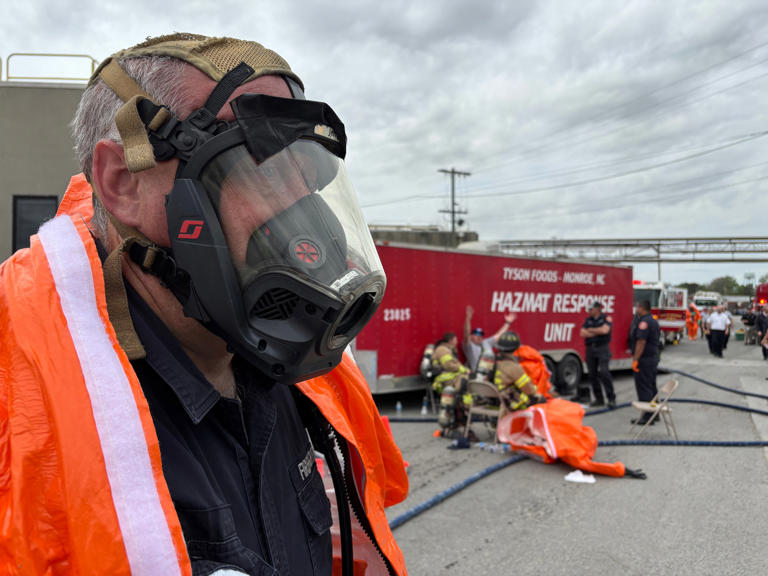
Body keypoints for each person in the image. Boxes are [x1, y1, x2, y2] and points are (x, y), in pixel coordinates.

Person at [0, 34, 408, 575]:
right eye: (263, 170)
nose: (305, 218)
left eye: (306, 179)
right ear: (124, 184)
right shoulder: (23, 429)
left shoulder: (290, 376)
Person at [492, 331, 545, 411]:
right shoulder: (513, 367)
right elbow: (528, 389)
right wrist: (536, 392)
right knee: (541, 399)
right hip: (509, 402)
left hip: (494, 400)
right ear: (515, 349)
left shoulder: (494, 362)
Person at [578, 301, 616, 408]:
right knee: (592, 374)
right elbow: (582, 333)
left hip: (602, 348)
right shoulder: (588, 320)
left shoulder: (606, 318)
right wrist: (596, 331)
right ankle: (599, 399)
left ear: (597, 309)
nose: (589, 311)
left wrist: (590, 330)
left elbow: (604, 331)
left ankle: (611, 398)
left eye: (591, 309)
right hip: (590, 349)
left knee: (604, 372)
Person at [629, 300, 661, 426]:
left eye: (637, 306)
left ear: (641, 308)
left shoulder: (644, 322)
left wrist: (635, 359)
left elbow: (641, 342)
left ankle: (647, 417)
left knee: (644, 388)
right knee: (652, 387)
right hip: (652, 358)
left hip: (645, 360)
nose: (636, 309)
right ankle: (654, 413)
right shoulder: (652, 320)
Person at [462, 305, 516, 375]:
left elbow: (499, 335)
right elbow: (466, 333)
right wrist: (468, 319)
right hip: (478, 375)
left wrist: (508, 323)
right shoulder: (469, 346)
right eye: (477, 334)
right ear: (471, 336)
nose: (480, 336)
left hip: (491, 374)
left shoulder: (486, 342)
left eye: (481, 334)